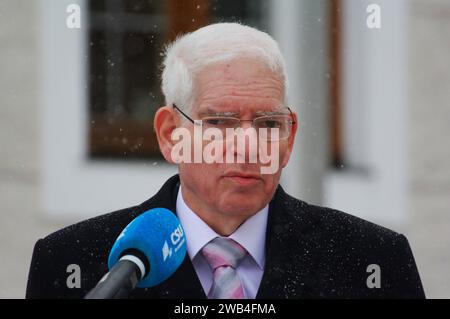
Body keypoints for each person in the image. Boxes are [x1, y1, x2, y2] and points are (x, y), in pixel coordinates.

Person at [26, 22, 425, 299]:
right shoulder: (76, 263)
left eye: (269, 123)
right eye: (219, 122)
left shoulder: (372, 261)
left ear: (289, 138)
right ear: (170, 135)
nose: (249, 144)